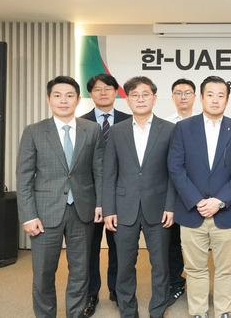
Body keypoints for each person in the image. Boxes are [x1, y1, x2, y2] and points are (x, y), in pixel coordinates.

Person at [16, 76, 104, 318]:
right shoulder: (34, 131)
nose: (63, 100)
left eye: (69, 95)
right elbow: (23, 176)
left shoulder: (92, 130)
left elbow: (100, 171)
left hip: (82, 211)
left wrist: (100, 203)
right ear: (48, 99)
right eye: (57, 95)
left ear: (77, 99)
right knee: (43, 273)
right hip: (44, 213)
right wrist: (28, 216)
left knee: (80, 273)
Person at [168, 76, 231, 318]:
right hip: (192, 211)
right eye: (210, 95)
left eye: (220, 95)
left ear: (227, 100)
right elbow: (175, 167)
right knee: (195, 268)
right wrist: (197, 200)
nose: (215, 100)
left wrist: (219, 201)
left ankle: (223, 310)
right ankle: (199, 311)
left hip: (225, 211)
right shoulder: (183, 128)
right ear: (201, 97)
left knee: (226, 268)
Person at [102, 76, 176, 318]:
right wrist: (109, 209)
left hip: (159, 208)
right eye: (135, 95)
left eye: (146, 94)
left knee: (160, 266)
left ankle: (157, 310)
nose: (141, 99)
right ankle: (128, 311)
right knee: (124, 265)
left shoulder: (170, 129)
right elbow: (109, 173)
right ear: (127, 99)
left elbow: (173, 172)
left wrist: (170, 205)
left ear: (154, 98)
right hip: (123, 208)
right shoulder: (117, 131)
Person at [80, 73, 131, 317]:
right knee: (89, 248)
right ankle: (91, 293)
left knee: (118, 247)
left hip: (121, 196)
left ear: (116, 92)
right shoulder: (81, 122)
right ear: (91, 94)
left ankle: (117, 290)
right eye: (98, 89)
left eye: (108, 88)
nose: (103, 92)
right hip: (88, 198)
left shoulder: (130, 121)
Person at [165, 78, 197, 305]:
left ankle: (199, 287)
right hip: (171, 193)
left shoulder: (204, 123)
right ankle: (176, 283)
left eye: (187, 92)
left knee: (200, 243)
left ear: (196, 97)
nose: (183, 96)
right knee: (172, 242)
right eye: (178, 92)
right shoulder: (165, 125)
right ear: (172, 97)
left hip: (199, 195)